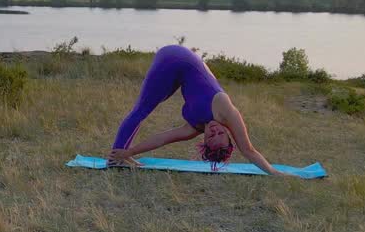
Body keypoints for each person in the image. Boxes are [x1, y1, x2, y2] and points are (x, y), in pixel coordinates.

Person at [106, 44, 285, 176]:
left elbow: (162, 139)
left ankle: (122, 153)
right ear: (229, 135)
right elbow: (248, 150)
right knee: (142, 109)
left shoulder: (193, 128)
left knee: (150, 103)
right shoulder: (227, 112)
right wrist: (273, 172)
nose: (214, 131)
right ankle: (115, 157)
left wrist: (131, 152)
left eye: (211, 136)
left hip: (178, 66)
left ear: (204, 139)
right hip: (175, 59)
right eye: (220, 135)